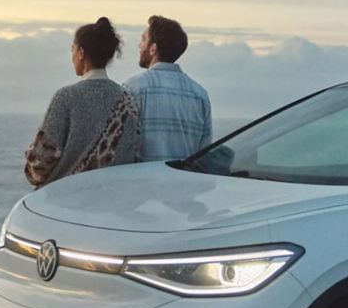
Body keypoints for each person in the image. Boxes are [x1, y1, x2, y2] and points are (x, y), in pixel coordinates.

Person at [24, 17, 140, 188]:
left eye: (72, 50)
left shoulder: (66, 97)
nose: (72, 57)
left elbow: (40, 163)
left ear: (81, 53)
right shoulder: (126, 100)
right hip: (111, 201)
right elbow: (133, 155)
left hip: (65, 203)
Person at [124, 15, 212, 162]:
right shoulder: (200, 95)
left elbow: (123, 147)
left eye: (143, 40)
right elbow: (203, 154)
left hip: (142, 182)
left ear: (153, 49)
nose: (139, 46)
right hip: (186, 182)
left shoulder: (133, 88)